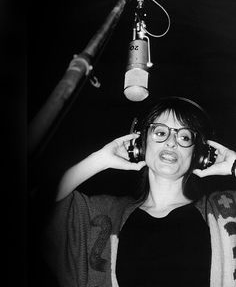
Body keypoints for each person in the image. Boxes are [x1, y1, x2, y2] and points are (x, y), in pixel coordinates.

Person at [44, 96, 236, 287]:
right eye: (160, 133)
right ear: (141, 143)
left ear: (198, 154)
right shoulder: (105, 214)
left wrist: (234, 165)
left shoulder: (225, 209)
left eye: (184, 137)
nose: (171, 142)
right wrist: (99, 160)